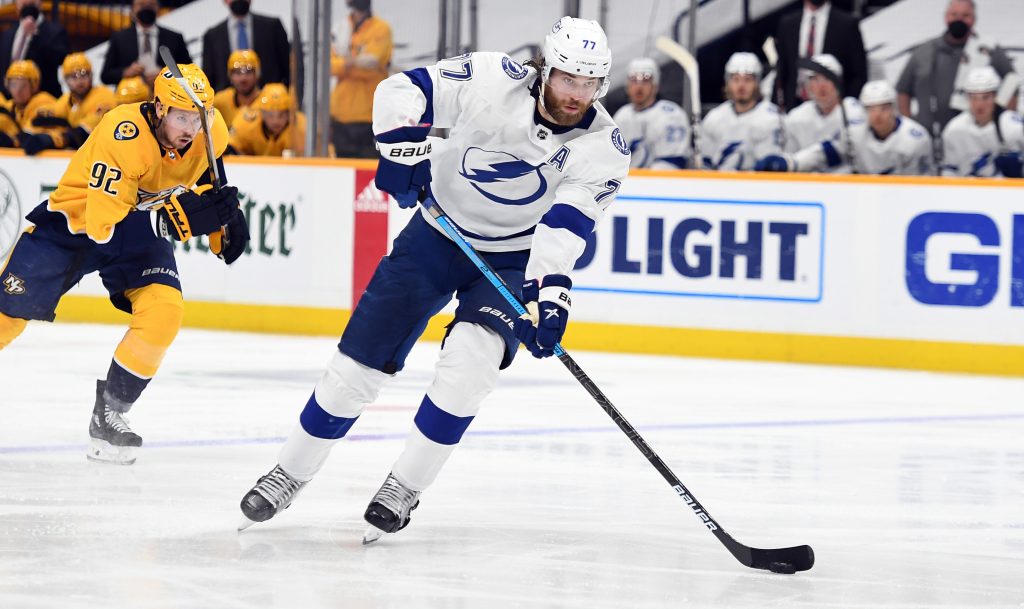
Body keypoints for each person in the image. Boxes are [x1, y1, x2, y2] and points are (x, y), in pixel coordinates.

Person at [238, 16, 630, 541]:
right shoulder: (494, 78)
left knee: (471, 366)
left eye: (590, 84)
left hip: (512, 259)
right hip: (435, 234)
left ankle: (404, 485)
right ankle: (290, 471)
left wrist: (550, 298)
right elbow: (401, 89)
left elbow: (564, 228)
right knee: (355, 367)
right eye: (567, 79)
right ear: (546, 69)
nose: (576, 94)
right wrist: (400, 149)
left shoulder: (604, 146)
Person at [0, 63, 250, 465]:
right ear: (159, 109)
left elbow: (203, 176)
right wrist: (175, 219)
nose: (192, 128)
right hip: (76, 223)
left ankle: (110, 412)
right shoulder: (123, 132)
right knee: (7, 316)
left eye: (198, 117)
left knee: (164, 312)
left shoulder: (211, 129)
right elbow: (103, 225)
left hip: (137, 228)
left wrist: (221, 219)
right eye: (182, 117)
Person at [756, 80, 933, 176]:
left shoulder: (915, 139)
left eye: (883, 108)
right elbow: (824, 153)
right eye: (870, 109)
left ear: (894, 109)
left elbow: (923, 185)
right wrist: (790, 163)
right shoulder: (855, 133)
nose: (877, 115)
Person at [897, 0, 1018, 137]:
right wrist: (907, 128)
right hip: (929, 137)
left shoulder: (987, 50)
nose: (959, 19)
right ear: (946, 17)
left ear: (973, 19)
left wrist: (1003, 121)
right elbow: (903, 91)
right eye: (954, 14)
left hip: (975, 139)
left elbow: (1012, 83)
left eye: (965, 15)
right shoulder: (924, 52)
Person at [773, 0, 867, 111]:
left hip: (834, 109)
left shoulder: (847, 24)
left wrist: (845, 107)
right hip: (795, 107)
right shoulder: (787, 24)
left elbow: (859, 74)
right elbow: (782, 71)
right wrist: (776, 107)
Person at [330, 0, 392, 159]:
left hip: (369, 117)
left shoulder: (381, 28)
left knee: (369, 171)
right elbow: (329, 66)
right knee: (342, 171)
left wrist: (344, 64)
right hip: (340, 116)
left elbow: (373, 64)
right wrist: (353, 62)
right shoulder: (340, 27)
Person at [701, 52, 784, 171]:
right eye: (736, 79)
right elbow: (705, 165)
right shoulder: (714, 118)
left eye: (748, 80)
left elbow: (769, 169)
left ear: (757, 83)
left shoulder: (772, 118)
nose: (741, 86)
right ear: (727, 82)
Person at [20, 53, 116, 155]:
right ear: (65, 80)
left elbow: (83, 135)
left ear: (91, 75)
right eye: (73, 76)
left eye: (83, 74)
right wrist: (23, 137)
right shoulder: (67, 99)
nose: (79, 81)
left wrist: (52, 139)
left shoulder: (103, 96)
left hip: (104, 156)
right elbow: (40, 122)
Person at [782, 54, 865, 168]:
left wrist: (796, 163)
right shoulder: (795, 117)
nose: (822, 86)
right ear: (808, 85)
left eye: (827, 79)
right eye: (815, 79)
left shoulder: (853, 110)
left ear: (838, 82)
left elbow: (842, 148)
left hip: (845, 183)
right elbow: (787, 155)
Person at [202, 0, 299, 96]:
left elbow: (292, 71)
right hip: (226, 108)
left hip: (271, 106)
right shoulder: (212, 36)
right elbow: (208, 80)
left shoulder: (273, 27)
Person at [940, 66, 1024, 178]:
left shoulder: (1014, 127)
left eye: (985, 97)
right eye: (974, 98)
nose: (979, 105)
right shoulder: (954, 130)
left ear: (996, 97)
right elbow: (949, 171)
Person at [612, 57, 690, 169]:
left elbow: (671, 164)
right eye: (634, 79)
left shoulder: (671, 115)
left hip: (660, 184)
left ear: (655, 85)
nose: (639, 87)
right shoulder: (622, 115)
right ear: (627, 86)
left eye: (646, 79)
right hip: (628, 183)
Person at [100, 0, 191, 87]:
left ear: (158, 8)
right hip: (130, 97)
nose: (147, 8)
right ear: (132, 9)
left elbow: (189, 71)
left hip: (167, 95)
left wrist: (166, 73)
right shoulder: (119, 38)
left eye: (151, 5)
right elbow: (105, 75)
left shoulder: (174, 38)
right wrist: (125, 72)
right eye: (141, 5)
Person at [0, 0, 69, 99]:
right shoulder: (7, 34)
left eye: (31, 4)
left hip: (43, 100)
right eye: (24, 4)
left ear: (40, 4)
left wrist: (36, 36)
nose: (28, 7)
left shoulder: (55, 31)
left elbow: (61, 59)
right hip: (9, 100)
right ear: (16, 6)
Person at [228, 82, 305, 157]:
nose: (276, 121)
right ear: (262, 113)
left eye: (281, 115)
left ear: (289, 114)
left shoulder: (303, 127)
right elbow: (230, 147)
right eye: (270, 115)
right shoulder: (246, 122)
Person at [0, 60, 56, 148]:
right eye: (14, 85)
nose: (18, 91)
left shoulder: (44, 102)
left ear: (34, 86)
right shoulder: (9, 106)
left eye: (23, 86)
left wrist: (10, 139)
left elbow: (28, 137)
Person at [213, 49, 261, 127]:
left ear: (257, 75)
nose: (243, 78)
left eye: (248, 72)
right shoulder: (220, 101)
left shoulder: (268, 102)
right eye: (237, 73)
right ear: (230, 76)